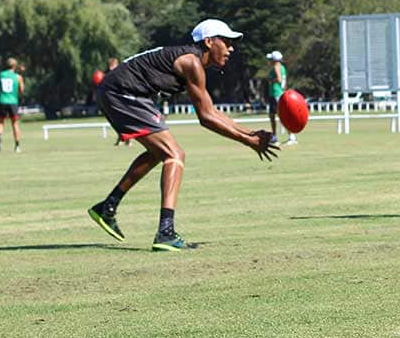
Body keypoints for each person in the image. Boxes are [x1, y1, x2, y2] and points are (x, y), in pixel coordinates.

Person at [87, 19, 279, 252]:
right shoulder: (191, 62)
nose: (231, 49)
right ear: (208, 42)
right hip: (123, 93)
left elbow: (211, 111)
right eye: (226, 42)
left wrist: (250, 133)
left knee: (159, 153)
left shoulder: (191, 61)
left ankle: (108, 206)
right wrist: (248, 141)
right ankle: (165, 232)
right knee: (175, 155)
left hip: (118, 92)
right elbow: (206, 118)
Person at [265, 50, 296, 146]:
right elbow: (284, 82)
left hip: (275, 93)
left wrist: (270, 80)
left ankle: (291, 136)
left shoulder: (276, 67)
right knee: (273, 115)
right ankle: (275, 137)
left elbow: (278, 79)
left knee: (280, 116)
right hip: (277, 93)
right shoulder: (282, 67)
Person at [0, 58, 24, 154]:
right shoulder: (18, 77)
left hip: (2, 100)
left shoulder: (1, 75)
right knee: (14, 123)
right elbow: (21, 90)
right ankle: (17, 146)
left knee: (0, 122)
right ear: (15, 66)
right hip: (12, 101)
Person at [105, 57, 131, 147]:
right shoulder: (109, 75)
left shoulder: (121, 73)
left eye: (113, 65)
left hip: (122, 101)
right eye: (110, 66)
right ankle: (122, 138)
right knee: (117, 122)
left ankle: (127, 140)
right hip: (113, 101)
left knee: (125, 121)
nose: (111, 68)